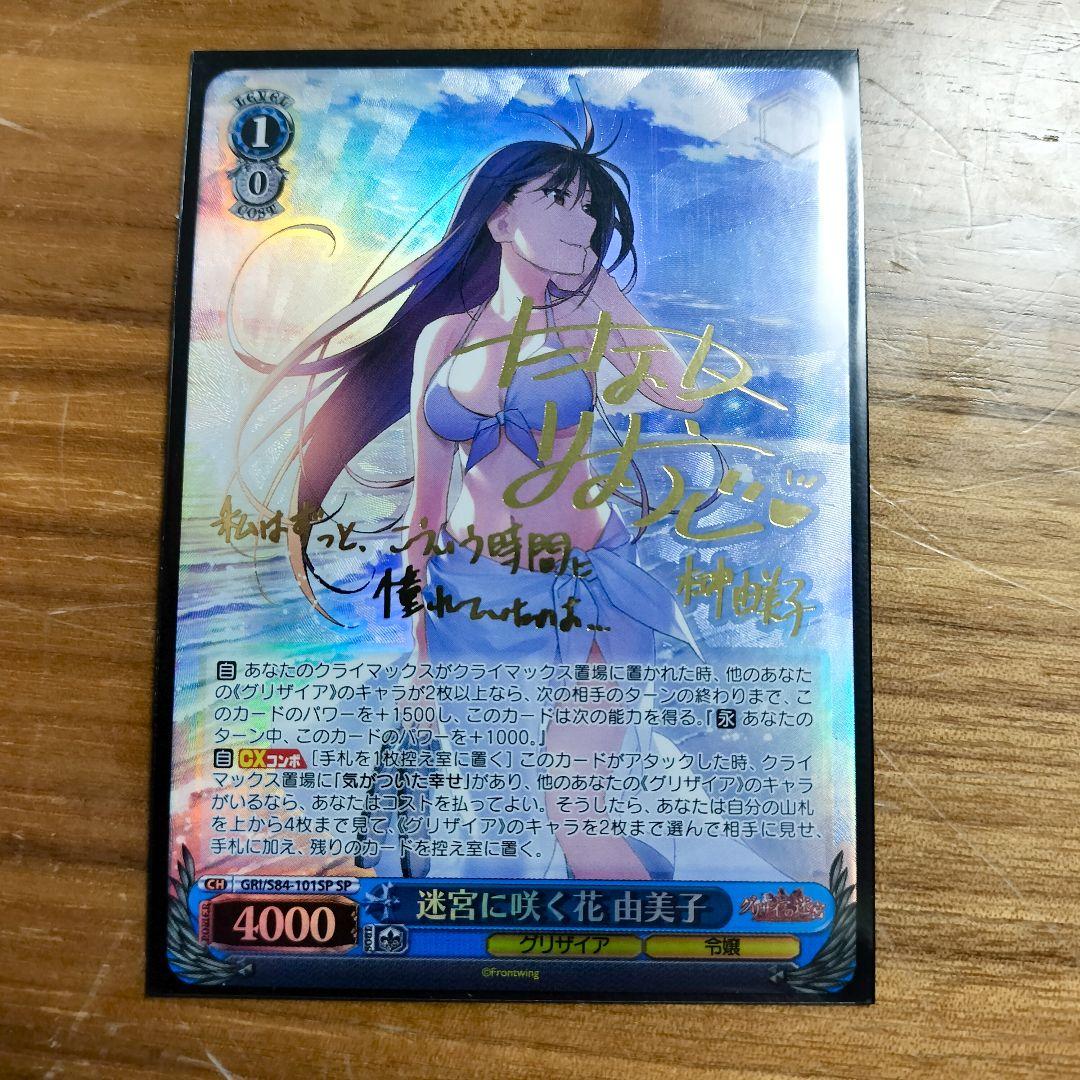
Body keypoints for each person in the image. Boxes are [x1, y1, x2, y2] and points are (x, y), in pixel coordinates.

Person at [233, 96, 783, 883]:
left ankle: (655, 931)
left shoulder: (589, 319)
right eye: (557, 198)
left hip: (587, 588)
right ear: (498, 219)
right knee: (494, 808)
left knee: (574, 809)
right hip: (469, 600)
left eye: (589, 207)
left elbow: (682, 393)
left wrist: (604, 292)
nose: (579, 219)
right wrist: (421, 649)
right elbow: (426, 510)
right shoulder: (442, 338)